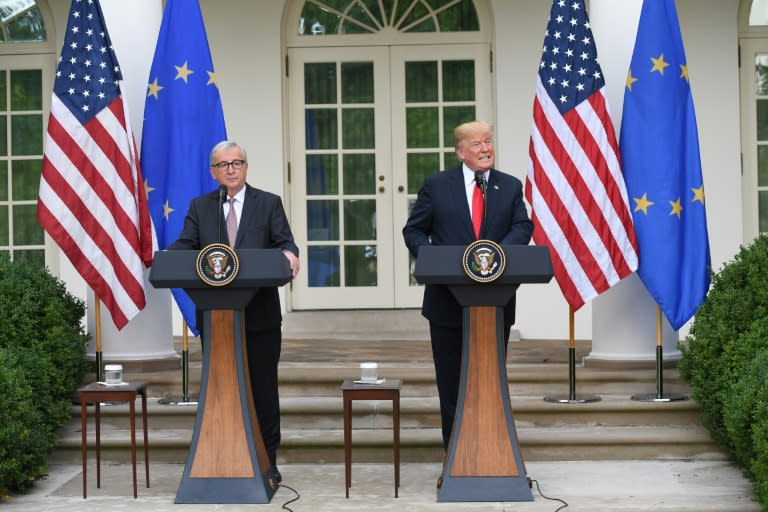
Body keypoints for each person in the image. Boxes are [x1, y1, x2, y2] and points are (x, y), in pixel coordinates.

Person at [167, 140, 299, 482]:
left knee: (263, 391)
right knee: (221, 390)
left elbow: (285, 243)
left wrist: (289, 254)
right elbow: (186, 246)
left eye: (237, 162)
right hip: (217, 318)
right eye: (224, 164)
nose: (231, 169)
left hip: (260, 317)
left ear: (245, 167)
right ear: (214, 172)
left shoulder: (268, 203)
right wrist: (168, 259)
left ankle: (266, 463)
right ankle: (222, 458)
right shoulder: (200, 207)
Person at [402, 121, 533, 450]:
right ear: (461, 152)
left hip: (495, 302)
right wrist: (434, 259)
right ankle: (455, 454)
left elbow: (523, 225)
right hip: (446, 303)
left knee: (489, 380)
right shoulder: (437, 185)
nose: (486, 148)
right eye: (477, 144)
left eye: (488, 141)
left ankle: (492, 451)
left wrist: (497, 253)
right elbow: (414, 231)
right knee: (451, 383)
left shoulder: (510, 186)